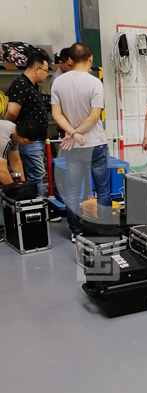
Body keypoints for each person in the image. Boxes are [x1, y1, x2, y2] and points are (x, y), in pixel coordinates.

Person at [51, 43, 112, 243]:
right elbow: (94, 116)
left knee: (73, 191)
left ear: (70, 60)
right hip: (95, 144)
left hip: (73, 146)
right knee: (102, 190)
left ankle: (76, 232)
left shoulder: (58, 82)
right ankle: (101, 231)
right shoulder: (95, 83)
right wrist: (76, 133)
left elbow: (56, 114)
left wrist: (72, 133)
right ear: (90, 58)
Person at [4, 50, 50, 197]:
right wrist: (5, 128)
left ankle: (34, 201)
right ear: (36, 69)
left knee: (36, 173)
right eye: (45, 70)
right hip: (28, 140)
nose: (47, 74)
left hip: (34, 139)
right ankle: (37, 203)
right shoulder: (21, 84)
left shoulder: (31, 85)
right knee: (36, 174)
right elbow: (12, 112)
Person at [0, 119, 43, 242]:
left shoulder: (14, 131)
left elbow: (15, 160)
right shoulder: (4, 139)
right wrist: (16, 191)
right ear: (25, 140)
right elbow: (1, 171)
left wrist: (24, 186)